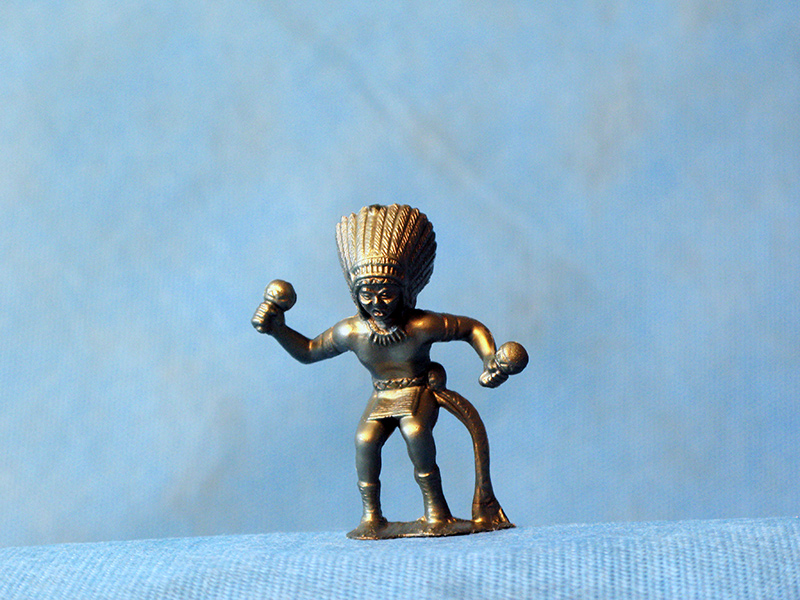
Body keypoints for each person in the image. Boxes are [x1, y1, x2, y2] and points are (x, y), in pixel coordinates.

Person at [253, 204, 526, 539]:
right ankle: (372, 517)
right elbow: (309, 351)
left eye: (386, 294)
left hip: (418, 390)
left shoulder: (421, 325)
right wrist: (279, 329)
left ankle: (437, 513)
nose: (377, 303)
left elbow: (471, 328)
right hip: (382, 394)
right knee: (364, 441)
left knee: (415, 432)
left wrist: (489, 358)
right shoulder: (351, 332)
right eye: (367, 294)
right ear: (356, 295)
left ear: (404, 292)